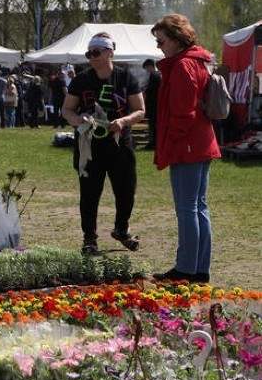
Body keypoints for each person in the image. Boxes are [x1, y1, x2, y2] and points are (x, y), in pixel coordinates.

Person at [150, 14, 221, 283]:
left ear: (177, 39)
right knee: (199, 206)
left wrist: (173, 140)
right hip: (202, 140)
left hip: (189, 144)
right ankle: (199, 268)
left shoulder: (182, 66)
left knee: (188, 207)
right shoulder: (198, 61)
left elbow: (183, 112)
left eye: (162, 41)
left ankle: (186, 268)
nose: (159, 47)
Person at [61, 32, 145, 255]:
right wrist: (78, 119)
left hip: (120, 145)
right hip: (89, 146)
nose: (92, 57)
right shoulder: (81, 79)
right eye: (89, 53)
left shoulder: (125, 78)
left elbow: (140, 109)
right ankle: (89, 237)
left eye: (96, 52)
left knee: (126, 191)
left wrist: (124, 121)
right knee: (89, 193)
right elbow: (66, 109)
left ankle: (121, 230)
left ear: (110, 52)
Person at [142, 59, 161, 149]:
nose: (146, 71)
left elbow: (150, 90)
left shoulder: (154, 75)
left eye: (146, 68)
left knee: (153, 125)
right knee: (155, 125)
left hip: (153, 105)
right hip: (158, 105)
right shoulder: (159, 74)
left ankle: (153, 143)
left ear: (150, 66)